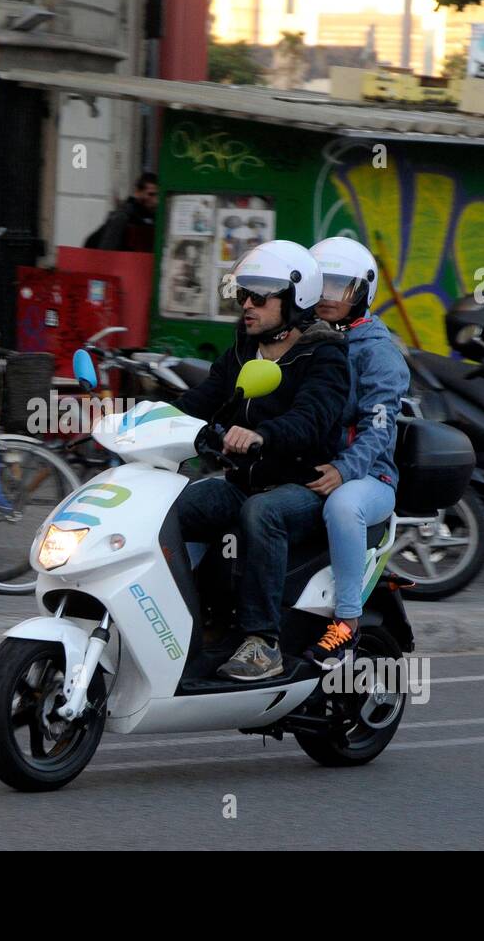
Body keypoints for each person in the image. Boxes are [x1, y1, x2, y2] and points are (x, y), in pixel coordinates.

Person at [173, 241, 350, 681]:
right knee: (171, 508)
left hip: (302, 488)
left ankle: (263, 643)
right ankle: (187, 622)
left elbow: (312, 418)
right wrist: (139, 417)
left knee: (262, 513)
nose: (246, 305)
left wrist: (261, 436)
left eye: (259, 296)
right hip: (243, 480)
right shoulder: (242, 352)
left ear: (295, 298)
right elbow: (202, 399)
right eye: (242, 295)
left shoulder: (323, 356)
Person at [304, 237, 410, 669]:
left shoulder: (377, 352)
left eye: (339, 286)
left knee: (344, 508)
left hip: (369, 480)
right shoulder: (302, 340)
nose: (328, 296)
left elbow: (379, 429)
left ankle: (347, 621)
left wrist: (344, 471)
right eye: (320, 284)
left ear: (362, 292)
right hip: (307, 468)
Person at [84, 172, 158, 252]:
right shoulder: (122, 216)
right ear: (138, 192)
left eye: (158, 195)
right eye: (151, 194)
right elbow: (106, 251)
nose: (156, 201)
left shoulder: (154, 218)